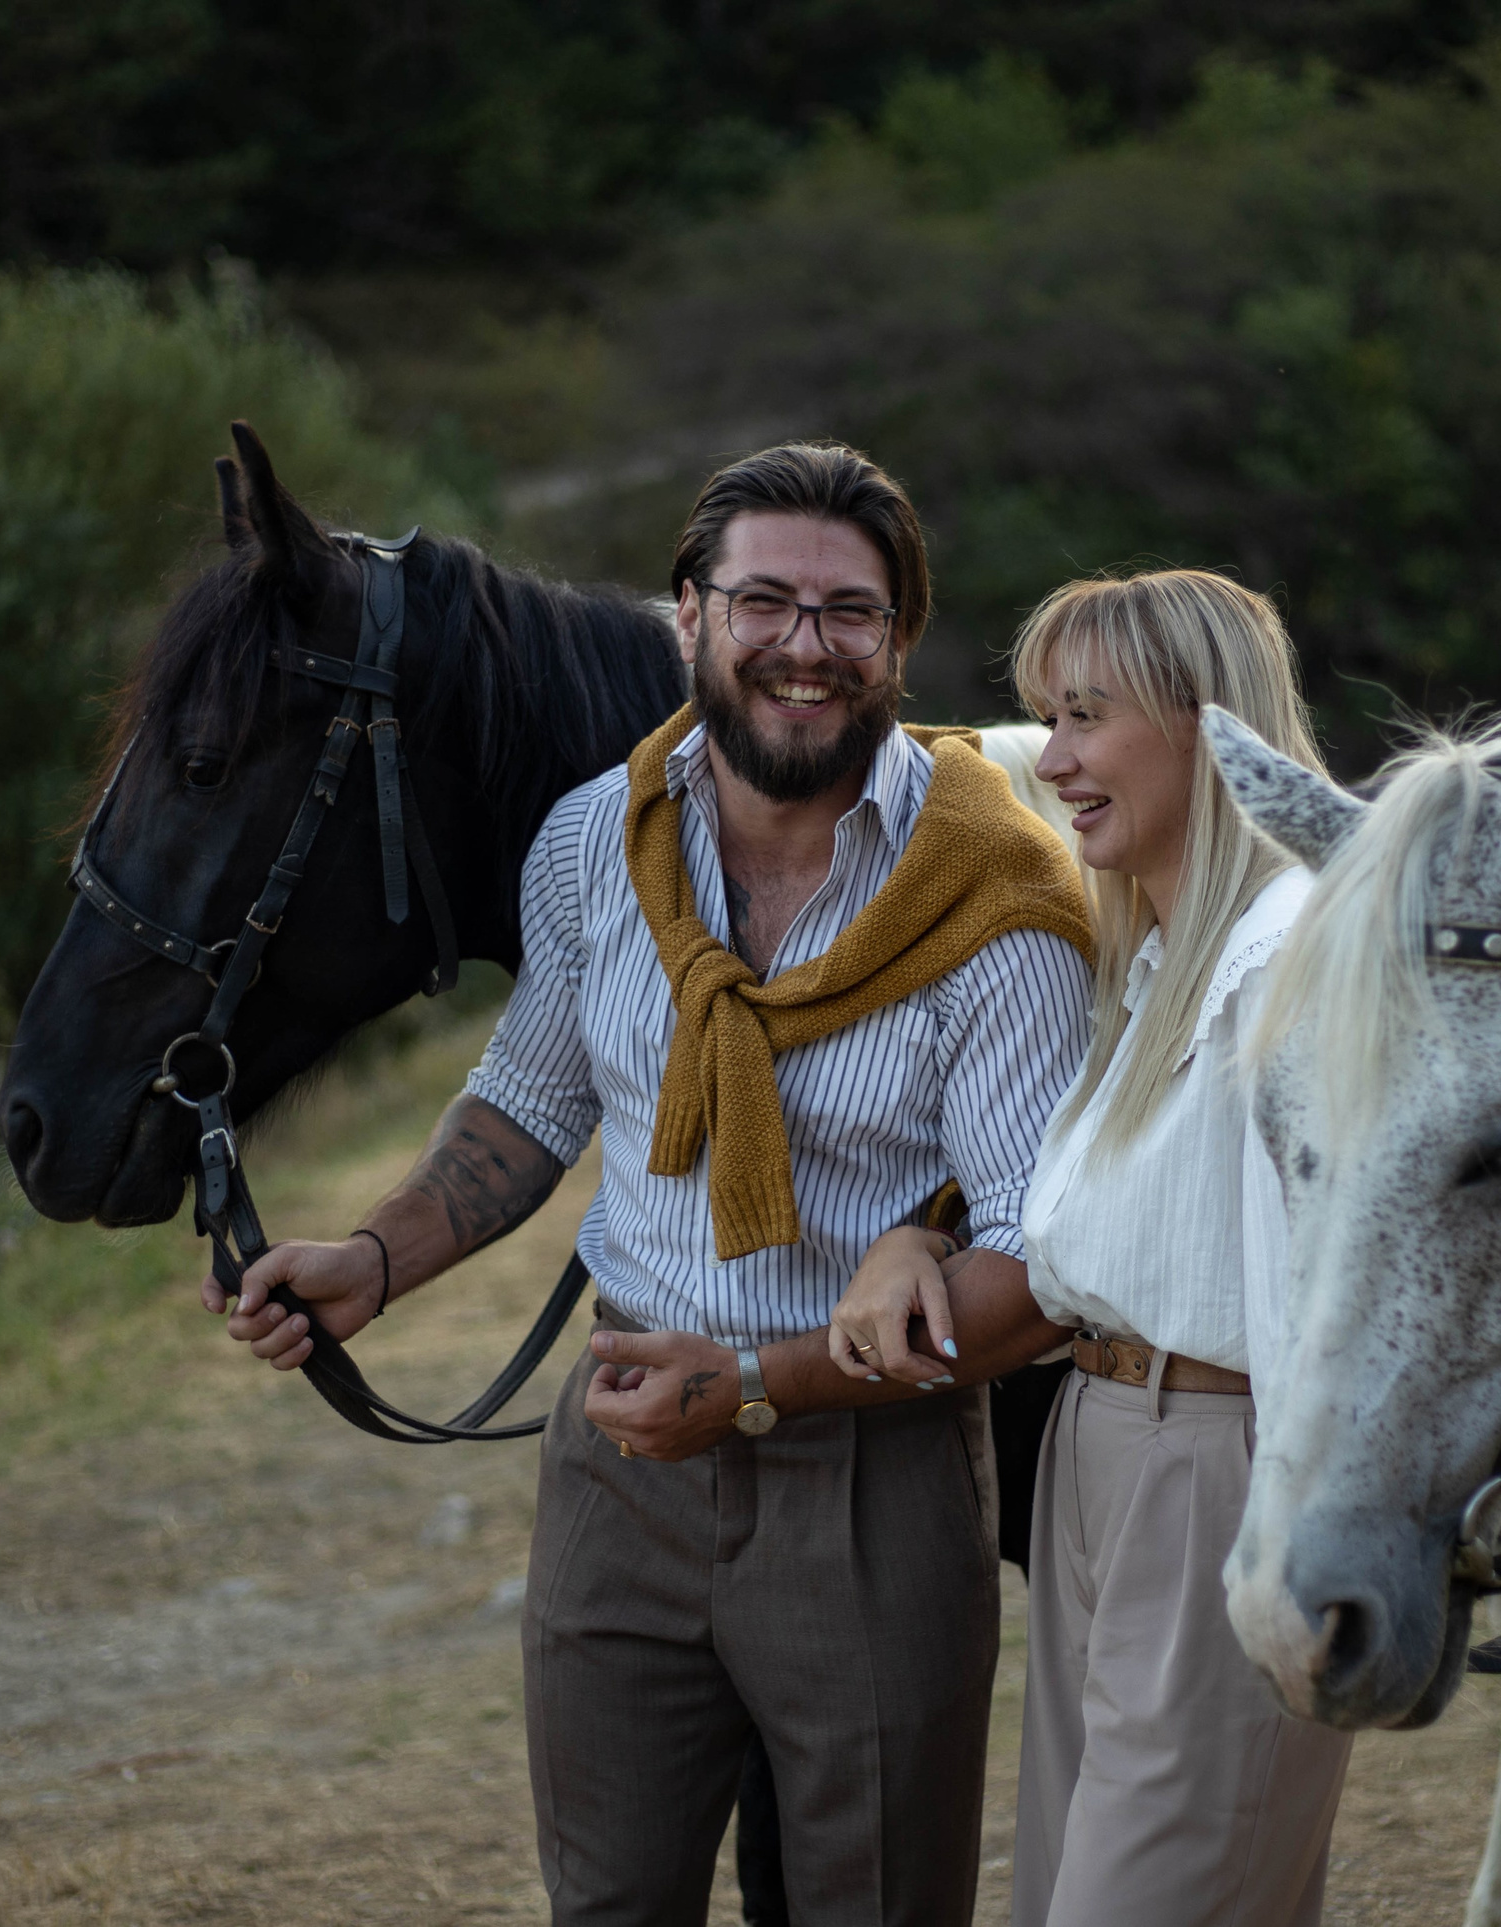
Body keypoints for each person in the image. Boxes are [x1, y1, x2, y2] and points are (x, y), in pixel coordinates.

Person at [209, 442, 1095, 1927]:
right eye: (764, 601)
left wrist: (757, 1384)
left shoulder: (995, 898)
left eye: (849, 613)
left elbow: (1032, 1275)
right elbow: (533, 1100)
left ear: (899, 644)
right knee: (606, 1904)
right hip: (619, 1467)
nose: (804, 647)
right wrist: (376, 1257)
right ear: (687, 615)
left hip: (874, 1486)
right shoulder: (593, 842)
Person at [829, 569, 1356, 1927]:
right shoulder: (1152, 961)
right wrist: (912, 1237)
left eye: (1084, 717)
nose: (1050, 760)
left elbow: (1327, 1293)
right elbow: (1084, 1235)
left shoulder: (1294, 955)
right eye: (1045, 720)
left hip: (1221, 1474)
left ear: (1205, 726)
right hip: (1096, 1454)